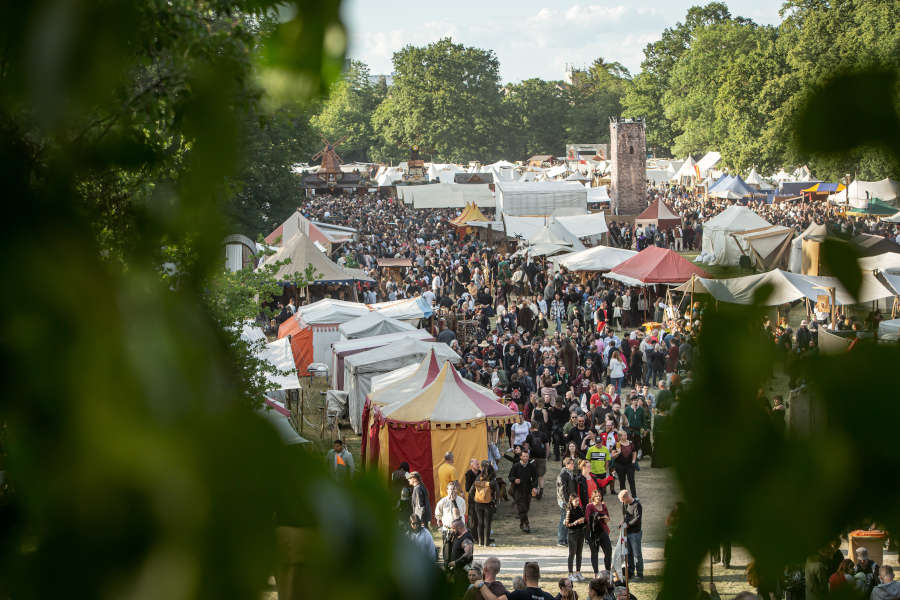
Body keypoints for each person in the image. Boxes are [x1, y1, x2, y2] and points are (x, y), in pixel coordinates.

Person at [477, 561, 555, 600]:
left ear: (524, 577)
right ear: (539, 576)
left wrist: (481, 585)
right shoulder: (549, 597)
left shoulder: (518, 595)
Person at [508, 449, 538, 532]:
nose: (525, 458)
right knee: (522, 507)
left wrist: (534, 487)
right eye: (524, 456)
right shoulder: (516, 466)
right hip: (517, 489)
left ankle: (522, 524)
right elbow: (510, 476)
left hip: (528, 489)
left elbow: (535, 478)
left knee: (526, 507)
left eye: (527, 456)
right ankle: (526, 524)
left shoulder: (531, 466)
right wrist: (514, 480)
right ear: (520, 457)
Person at [586, 489, 613, 577]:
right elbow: (588, 519)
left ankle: (608, 571)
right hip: (593, 534)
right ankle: (596, 573)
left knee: (608, 551)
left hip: (603, 531)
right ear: (593, 497)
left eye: (600, 496)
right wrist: (599, 516)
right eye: (597, 496)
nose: (598, 497)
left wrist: (604, 518)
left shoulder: (604, 506)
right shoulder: (589, 506)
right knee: (594, 553)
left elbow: (607, 518)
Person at [619, 489, 643, 580]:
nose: (622, 502)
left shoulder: (637, 505)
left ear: (626, 497)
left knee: (637, 554)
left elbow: (637, 518)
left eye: (622, 499)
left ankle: (639, 574)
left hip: (635, 533)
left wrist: (628, 525)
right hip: (627, 533)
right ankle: (631, 572)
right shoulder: (626, 505)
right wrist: (622, 523)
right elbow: (625, 517)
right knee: (628, 554)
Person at [472, 463, 498, 547]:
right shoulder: (492, 481)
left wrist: (475, 499)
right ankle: (486, 543)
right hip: (488, 504)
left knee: (480, 523)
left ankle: (480, 542)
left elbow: (471, 491)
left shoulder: (478, 478)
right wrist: (495, 503)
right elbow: (497, 493)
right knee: (487, 523)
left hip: (478, 503)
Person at [564, 493, 587, 582]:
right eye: (575, 501)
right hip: (572, 534)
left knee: (579, 554)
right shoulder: (569, 511)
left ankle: (578, 572)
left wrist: (583, 520)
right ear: (571, 501)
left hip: (581, 533)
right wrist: (576, 522)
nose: (577, 502)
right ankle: (570, 573)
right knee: (572, 554)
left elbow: (584, 521)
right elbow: (567, 525)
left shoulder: (580, 509)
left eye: (578, 500)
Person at [445, 517, 475, 583]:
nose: (452, 530)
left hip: (463, 572)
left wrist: (456, 563)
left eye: (453, 529)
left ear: (459, 528)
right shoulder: (457, 535)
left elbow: (468, 554)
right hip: (456, 571)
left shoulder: (466, 538)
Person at [556, 457, 577, 547]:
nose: (573, 465)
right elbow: (562, 490)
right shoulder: (563, 474)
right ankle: (561, 540)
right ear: (567, 465)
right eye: (571, 464)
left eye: (573, 463)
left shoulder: (569, 473)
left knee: (567, 519)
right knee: (564, 519)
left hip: (569, 500)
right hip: (565, 501)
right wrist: (566, 502)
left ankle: (565, 539)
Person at [611, 430, 637, 497]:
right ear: (620, 436)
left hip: (629, 465)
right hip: (620, 465)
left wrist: (633, 460)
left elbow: (634, 452)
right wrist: (618, 453)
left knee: (631, 480)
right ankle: (624, 496)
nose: (626, 436)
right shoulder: (617, 444)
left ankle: (634, 496)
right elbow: (613, 455)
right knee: (622, 481)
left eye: (626, 435)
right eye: (624, 435)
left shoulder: (631, 443)